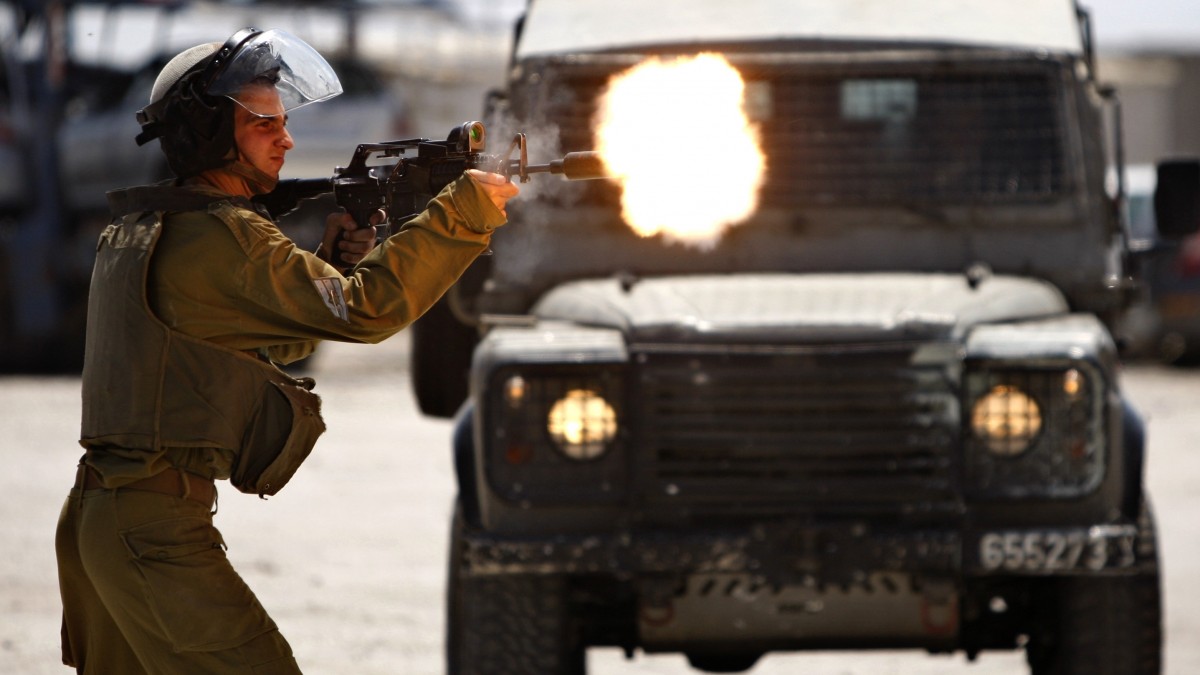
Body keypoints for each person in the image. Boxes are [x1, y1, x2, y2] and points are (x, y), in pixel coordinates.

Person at [54, 28, 518, 674]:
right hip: (149, 530)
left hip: (99, 518)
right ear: (213, 132)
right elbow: (365, 309)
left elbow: (275, 334)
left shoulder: (146, 226)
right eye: (264, 123)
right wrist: (467, 209)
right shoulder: (227, 238)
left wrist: (326, 260)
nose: (287, 138)